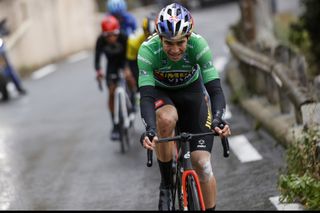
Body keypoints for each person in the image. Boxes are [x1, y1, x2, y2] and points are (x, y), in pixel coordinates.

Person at [138, 3, 231, 211]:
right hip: (163, 94)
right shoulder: (147, 50)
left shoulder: (199, 45)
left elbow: (215, 89)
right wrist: (150, 130)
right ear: (160, 38)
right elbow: (146, 96)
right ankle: (166, 184)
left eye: (180, 42)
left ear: (188, 37)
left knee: (203, 166)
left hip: (192, 94)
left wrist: (218, 118)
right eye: (168, 43)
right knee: (166, 119)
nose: (175, 49)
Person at [94, 15, 136, 141]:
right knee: (112, 92)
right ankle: (116, 125)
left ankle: (133, 100)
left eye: (114, 34)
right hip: (111, 65)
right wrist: (99, 70)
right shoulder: (100, 40)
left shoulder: (124, 37)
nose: (111, 38)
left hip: (125, 61)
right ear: (104, 35)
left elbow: (132, 54)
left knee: (129, 78)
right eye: (108, 36)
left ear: (118, 32)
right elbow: (97, 58)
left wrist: (129, 69)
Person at [126, 12, 157, 89]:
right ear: (144, 31)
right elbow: (132, 61)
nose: (152, 37)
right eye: (149, 34)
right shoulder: (134, 41)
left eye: (156, 34)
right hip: (136, 59)